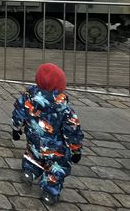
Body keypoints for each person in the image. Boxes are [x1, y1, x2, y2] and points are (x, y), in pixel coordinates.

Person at [11, 63, 83, 205]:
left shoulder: (27, 98)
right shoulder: (64, 109)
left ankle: (29, 172)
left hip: (35, 140)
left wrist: (16, 127)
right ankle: (50, 193)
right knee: (56, 169)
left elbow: (18, 112)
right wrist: (76, 149)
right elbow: (72, 130)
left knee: (32, 156)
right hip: (57, 149)